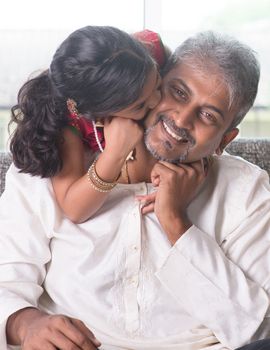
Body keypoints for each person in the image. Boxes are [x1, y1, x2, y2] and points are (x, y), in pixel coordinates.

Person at [0, 30, 270, 350]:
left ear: (225, 140)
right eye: (178, 92)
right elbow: (7, 278)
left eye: (208, 115)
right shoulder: (51, 158)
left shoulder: (249, 192)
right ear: (154, 84)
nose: (182, 119)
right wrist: (26, 323)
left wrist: (176, 223)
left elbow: (257, 328)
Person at [9, 25, 162, 224]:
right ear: (96, 111)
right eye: (140, 105)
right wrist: (115, 153)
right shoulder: (68, 127)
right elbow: (75, 209)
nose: (157, 101)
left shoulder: (146, 53)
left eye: (158, 83)